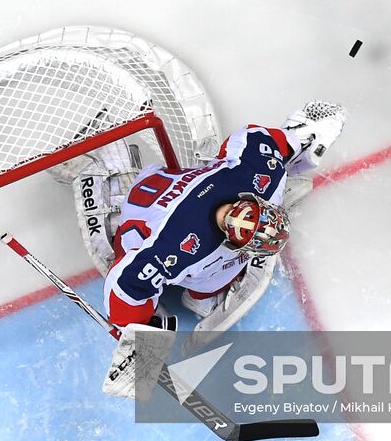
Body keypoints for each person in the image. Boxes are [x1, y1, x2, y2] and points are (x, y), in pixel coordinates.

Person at [58, 102, 346, 395]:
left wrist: (301, 140)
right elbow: (127, 284)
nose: (237, 219)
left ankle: (202, 294)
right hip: (144, 213)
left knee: (220, 269)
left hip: (184, 195)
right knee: (144, 255)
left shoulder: (263, 178)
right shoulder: (175, 244)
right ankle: (103, 168)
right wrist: (139, 336)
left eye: (244, 232)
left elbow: (259, 139)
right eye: (248, 216)